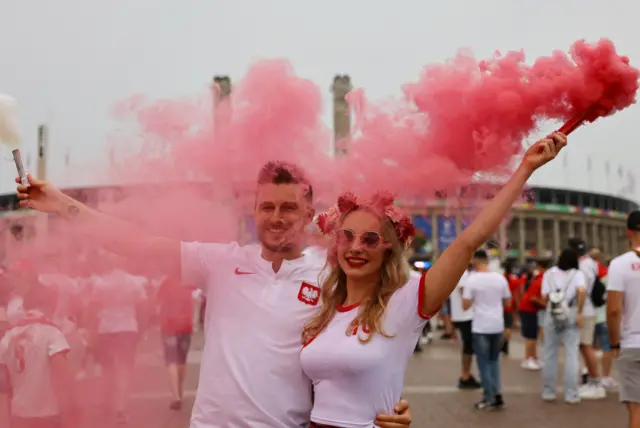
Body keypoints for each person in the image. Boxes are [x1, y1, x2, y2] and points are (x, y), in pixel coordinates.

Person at [16, 161, 412, 428]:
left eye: (289, 208)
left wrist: (386, 405)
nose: (277, 218)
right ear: (253, 211)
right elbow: (136, 243)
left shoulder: (333, 273)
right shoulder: (220, 263)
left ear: (309, 213)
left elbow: (378, 333)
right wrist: (61, 204)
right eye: (267, 206)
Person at [298, 133, 567, 424]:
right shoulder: (323, 308)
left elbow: (467, 242)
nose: (356, 248)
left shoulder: (405, 302)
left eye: (371, 239)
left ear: (389, 250)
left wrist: (525, 168)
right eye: (346, 237)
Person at [0, 281, 74, 428]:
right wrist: (68, 410)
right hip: (47, 413)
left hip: (19, 413)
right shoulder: (51, 333)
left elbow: (4, 382)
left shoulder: (8, 336)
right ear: (49, 305)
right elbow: (62, 372)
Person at [86, 264, 149, 424]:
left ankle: (107, 401)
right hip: (127, 327)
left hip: (105, 329)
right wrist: (141, 329)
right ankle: (121, 407)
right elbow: (144, 307)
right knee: (124, 369)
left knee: (108, 369)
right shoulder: (135, 282)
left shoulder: (101, 283)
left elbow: (93, 307)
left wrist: (91, 332)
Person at [462, 250, 511, 409]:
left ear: (475, 260)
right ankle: (497, 394)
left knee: (483, 362)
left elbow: (465, 305)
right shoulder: (499, 278)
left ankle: (488, 397)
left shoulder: (472, 279)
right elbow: (507, 302)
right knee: (494, 360)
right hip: (497, 324)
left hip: (481, 326)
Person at [607, 210, 640, 428]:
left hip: (632, 342)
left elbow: (613, 310)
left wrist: (614, 342)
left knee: (636, 408)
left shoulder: (619, 264)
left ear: (628, 232)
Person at [540, 248, 586, 404]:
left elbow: (545, 297)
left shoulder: (548, 274)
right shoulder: (577, 274)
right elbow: (581, 292)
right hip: (571, 313)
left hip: (551, 314)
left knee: (549, 353)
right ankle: (571, 393)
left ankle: (548, 391)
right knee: (571, 354)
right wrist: (579, 312)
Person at [568, 237, 606, 399]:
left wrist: (578, 312)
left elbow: (581, 291)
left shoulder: (582, 266)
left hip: (584, 310)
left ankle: (596, 381)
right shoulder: (590, 262)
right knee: (585, 346)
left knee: (586, 346)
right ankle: (593, 379)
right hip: (588, 308)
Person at [156, 275, 195, 410]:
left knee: (171, 360)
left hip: (169, 326)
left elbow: (158, 303)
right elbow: (196, 300)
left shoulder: (165, 282)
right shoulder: (190, 282)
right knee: (182, 361)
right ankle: (179, 390)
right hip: (186, 326)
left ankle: (176, 396)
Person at [589, 248, 618, 390]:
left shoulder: (588, 275)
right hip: (604, 316)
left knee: (590, 348)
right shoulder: (610, 278)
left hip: (590, 316)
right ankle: (605, 376)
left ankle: (591, 376)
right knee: (607, 348)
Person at [450, 266, 481, 388]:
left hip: (463, 314)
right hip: (466, 315)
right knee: (469, 346)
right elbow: (462, 289)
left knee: (469, 346)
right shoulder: (463, 273)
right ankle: (465, 376)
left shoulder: (460, 273)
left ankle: (466, 374)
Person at [518, 258, 550, 370]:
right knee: (531, 336)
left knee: (533, 335)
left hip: (529, 309)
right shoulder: (542, 280)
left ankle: (534, 357)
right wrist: (545, 305)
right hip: (528, 309)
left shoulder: (539, 278)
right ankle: (528, 359)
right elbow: (533, 298)